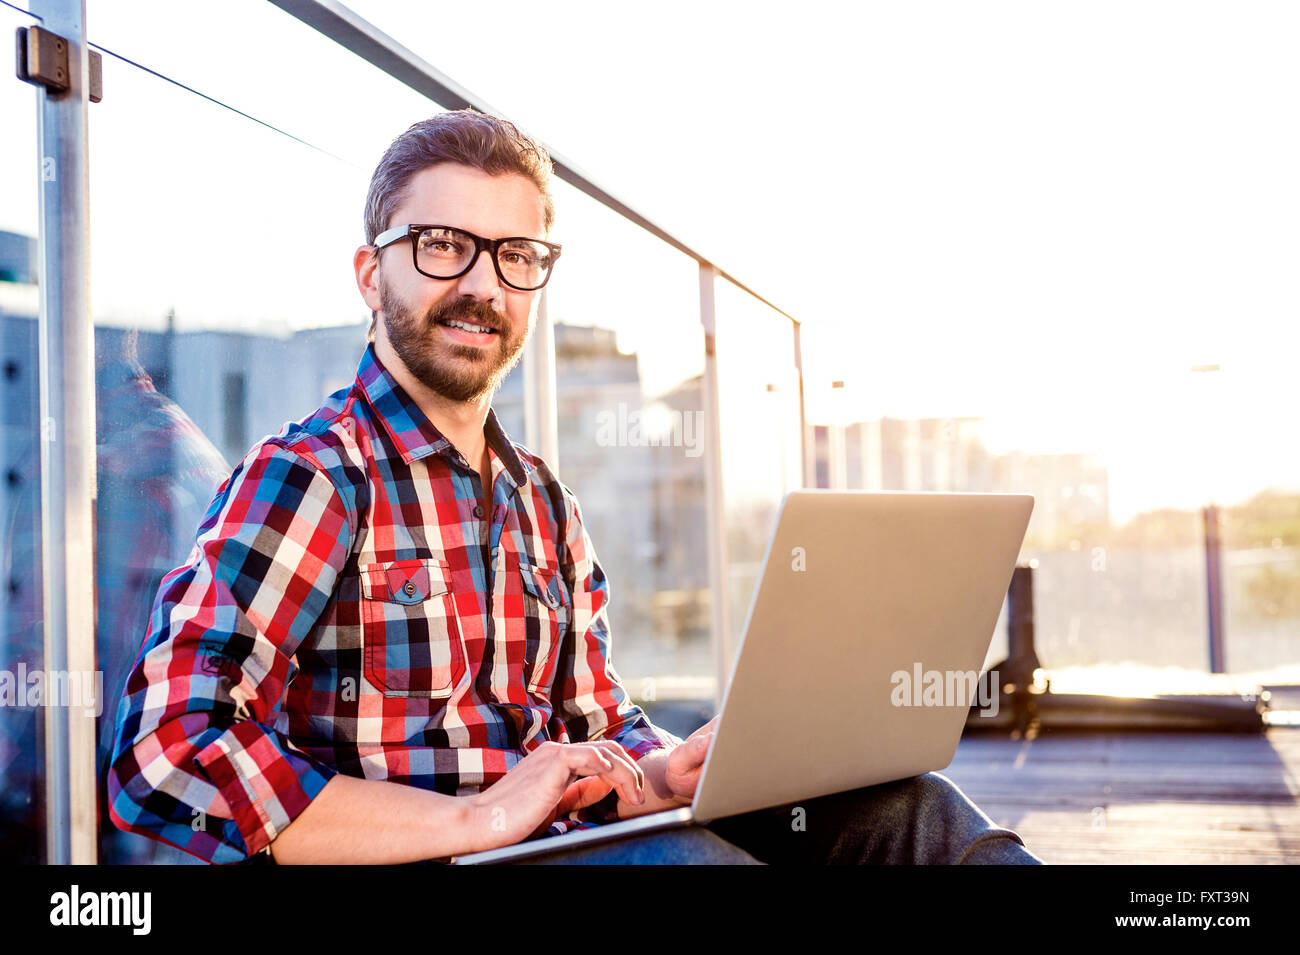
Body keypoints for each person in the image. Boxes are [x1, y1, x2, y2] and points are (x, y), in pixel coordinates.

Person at [108, 109, 1041, 865]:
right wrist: (471, 821)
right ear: (370, 272)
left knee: (917, 817)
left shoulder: (542, 499)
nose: (482, 283)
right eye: (442, 245)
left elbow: (594, 721)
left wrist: (664, 773)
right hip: (440, 860)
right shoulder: (312, 477)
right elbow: (162, 754)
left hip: (581, 836)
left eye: (515, 254)